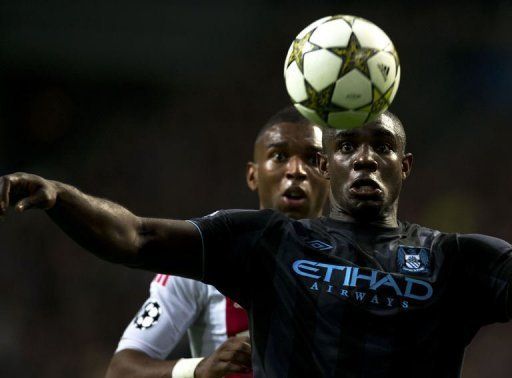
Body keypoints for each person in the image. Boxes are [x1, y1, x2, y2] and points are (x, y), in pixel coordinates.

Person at [1, 111, 511, 377]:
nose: (363, 159)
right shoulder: (268, 242)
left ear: (405, 166)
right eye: (347, 147)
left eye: (382, 146)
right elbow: (136, 235)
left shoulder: (459, 260)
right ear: (326, 164)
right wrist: (60, 198)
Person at [105, 107, 329, 378]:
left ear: (330, 173)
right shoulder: (209, 251)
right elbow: (122, 370)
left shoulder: (360, 263)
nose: (296, 171)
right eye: (279, 156)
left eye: (312, 159)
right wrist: (197, 368)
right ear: (252, 175)